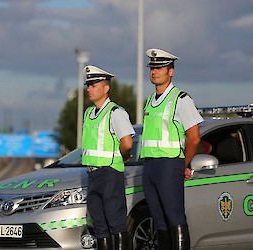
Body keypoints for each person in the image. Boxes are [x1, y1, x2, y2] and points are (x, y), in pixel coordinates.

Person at [140, 49, 203, 249]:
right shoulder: (150, 100)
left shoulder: (180, 98)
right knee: (158, 221)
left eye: (160, 67)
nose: (155, 71)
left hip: (169, 165)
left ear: (171, 71)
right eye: (152, 67)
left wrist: (181, 164)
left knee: (174, 218)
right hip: (149, 166)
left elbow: (194, 137)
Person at [81, 65, 135, 250]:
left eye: (94, 84)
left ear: (106, 88)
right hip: (93, 174)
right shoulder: (88, 113)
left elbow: (127, 143)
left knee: (116, 224)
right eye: (88, 84)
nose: (89, 88)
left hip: (110, 173)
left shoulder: (115, 112)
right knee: (100, 227)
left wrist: (124, 156)